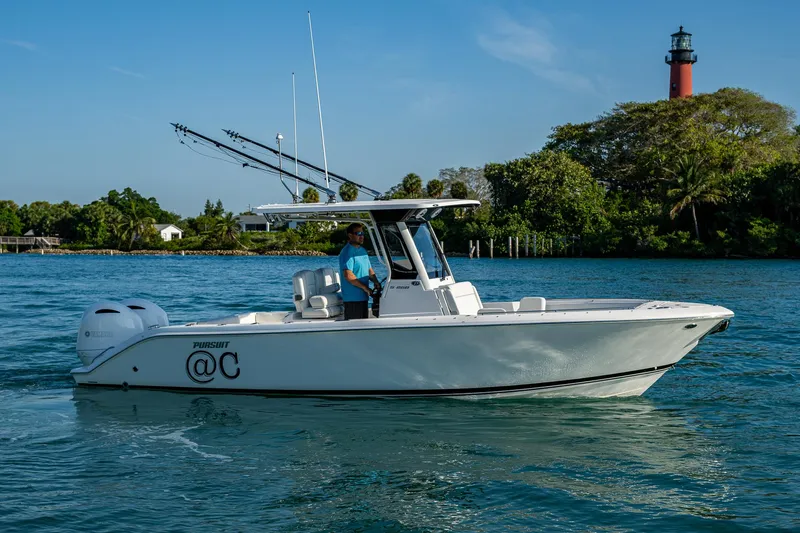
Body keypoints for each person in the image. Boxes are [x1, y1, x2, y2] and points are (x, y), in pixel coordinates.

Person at [338, 223, 380, 320]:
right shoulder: (347, 252)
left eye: (362, 233)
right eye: (358, 233)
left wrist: (376, 282)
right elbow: (348, 275)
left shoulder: (363, 251)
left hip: (363, 297)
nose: (362, 236)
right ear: (350, 235)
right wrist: (365, 288)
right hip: (353, 299)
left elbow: (369, 269)